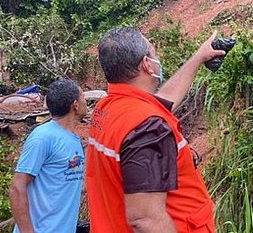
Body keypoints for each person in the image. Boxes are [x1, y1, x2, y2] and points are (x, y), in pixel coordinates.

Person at [86, 27, 225, 232]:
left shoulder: (109, 108)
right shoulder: (148, 129)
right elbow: (145, 219)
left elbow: (164, 99)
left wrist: (198, 58)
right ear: (146, 64)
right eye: (153, 53)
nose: (157, 58)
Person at [9, 79, 87, 233]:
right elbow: (17, 188)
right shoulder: (43, 137)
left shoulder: (73, 139)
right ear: (75, 105)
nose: (86, 101)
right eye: (83, 96)